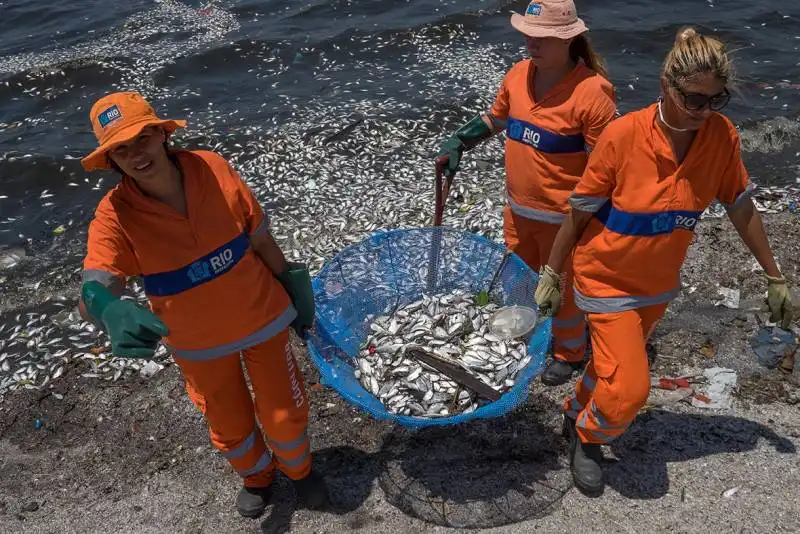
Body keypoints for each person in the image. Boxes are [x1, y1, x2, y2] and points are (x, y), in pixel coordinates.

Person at [534, 27, 795, 496]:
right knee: (631, 389)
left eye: (716, 101)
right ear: (666, 85)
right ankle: (590, 438)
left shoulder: (721, 136)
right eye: (694, 100)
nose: (703, 112)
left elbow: (740, 204)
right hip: (605, 279)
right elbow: (579, 211)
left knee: (611, 370)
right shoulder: (622, 135)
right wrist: (553, 271)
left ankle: (577, 411)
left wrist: (774, 274)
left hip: (657, 285)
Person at [76, 91, 329, 517]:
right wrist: (106, 308)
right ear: (111, 161)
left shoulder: (211, 167)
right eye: (120, 150)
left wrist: (295, 289)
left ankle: (300, 472)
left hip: (262, 317)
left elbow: (260, 238)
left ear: (161, 134)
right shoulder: (113, 215)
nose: (136, 154)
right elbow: (92, 289)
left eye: (141, 138)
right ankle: (258, 478)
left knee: (284, 411)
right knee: (228, 423)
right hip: (198, 344)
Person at [436, 0, 617, 386]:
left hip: (564, 222)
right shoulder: (518, 75)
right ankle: (530, 335)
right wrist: (460, 142)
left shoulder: (592, 94)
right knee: (518, 281)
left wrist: (591, 221)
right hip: (518, 211)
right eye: (528, 36)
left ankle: (569, 351)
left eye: (541, 38)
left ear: (568, 40)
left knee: (563, 289)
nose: (530, 44)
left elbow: (604, 168)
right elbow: (497, 118)